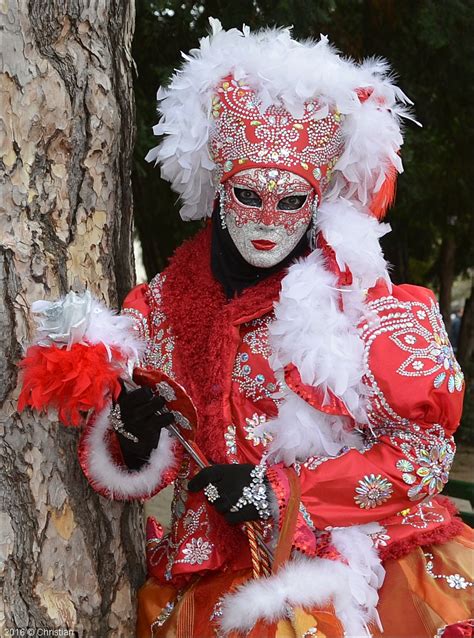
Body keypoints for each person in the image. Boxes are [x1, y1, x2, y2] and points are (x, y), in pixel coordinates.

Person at [78, 20, 473, 638]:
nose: (267, 219)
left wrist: (282, 492)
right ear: (219, 193)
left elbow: (425, 456)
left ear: (316, 202)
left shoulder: (359, 301)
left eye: (290, 202)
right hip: (208, 576)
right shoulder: (158, 307)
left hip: (345, 571)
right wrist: (132, 440)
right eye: (248, 195)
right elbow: (145, 462)